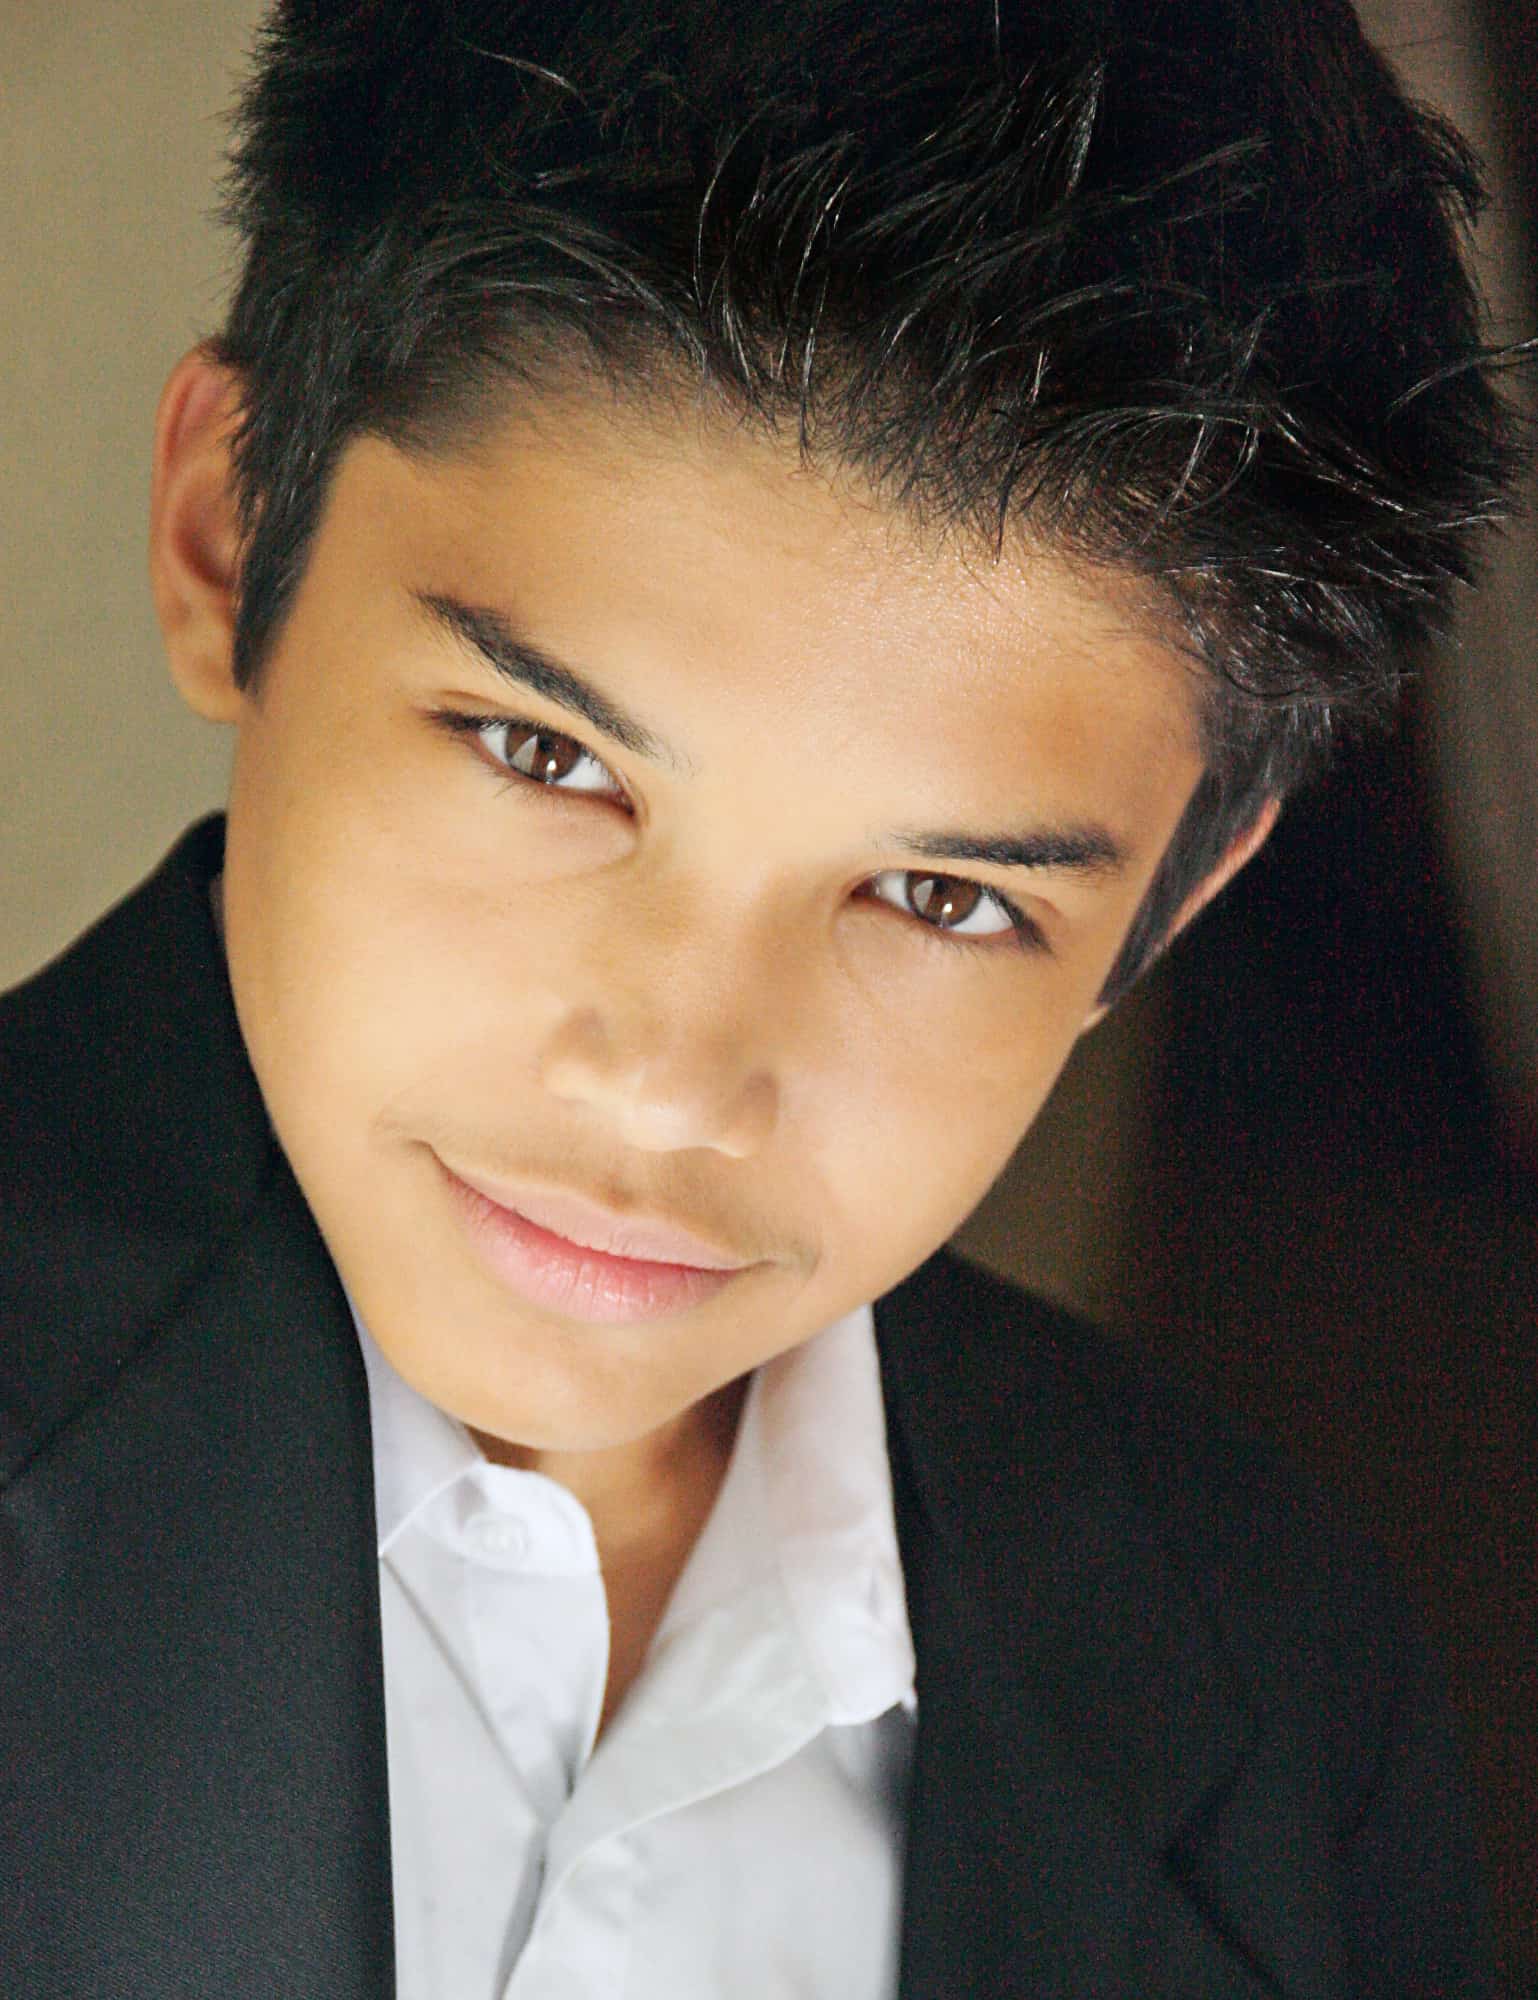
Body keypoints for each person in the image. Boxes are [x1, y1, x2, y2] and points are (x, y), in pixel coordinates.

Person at [0, 3, 1519, 1995]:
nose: (673, 1086)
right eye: (546, 757)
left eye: (939, 897)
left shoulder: (1276, 1676)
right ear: (229, 527)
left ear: (1172, 892)